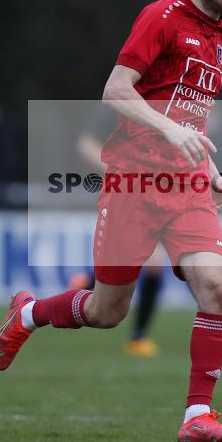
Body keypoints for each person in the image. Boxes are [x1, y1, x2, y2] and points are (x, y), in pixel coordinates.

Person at [0, 0, 222, 442]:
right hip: (132, 180)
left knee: (217, 287)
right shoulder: (163, 17)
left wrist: (209, 169)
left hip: (186, 186)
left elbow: (190, 113)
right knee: (109, 312)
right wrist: (170, 129)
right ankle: (29, 313)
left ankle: (198, 415)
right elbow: (115, 90)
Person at [74, 103, 167, 358]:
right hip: (123, 191)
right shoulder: (120, 101)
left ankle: (86, 285)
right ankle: (137, 336)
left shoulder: (165, 101)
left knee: (150, 261)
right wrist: (119, 172)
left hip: (150, 192)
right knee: (148, 260)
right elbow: (86, 144)